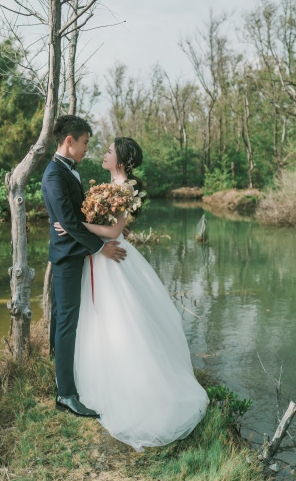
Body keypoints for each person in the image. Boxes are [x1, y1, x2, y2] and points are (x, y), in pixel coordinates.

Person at [54, 137, 209, 451]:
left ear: (121, 160)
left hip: (113, 256)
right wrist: (83, 226)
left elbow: (113, 231)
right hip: (99, 254)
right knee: (98, 317)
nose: (104, 153)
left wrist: (74, 225)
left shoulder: (125, 188)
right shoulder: (107, 184)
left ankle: (135, 383)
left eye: (110, 151)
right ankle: (95, 376)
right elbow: (116, 226)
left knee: (121, 318)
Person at [41, 115, 127, 418]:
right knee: (67, 322)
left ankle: (61, 372)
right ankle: (65, 394)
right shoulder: (54, 174)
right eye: (85, 143)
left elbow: (73, 219)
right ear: (69, 141)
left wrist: (86, 224)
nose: (87, 149)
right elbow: (66, 220)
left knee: (65, 320)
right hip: (66, 257)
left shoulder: (68, 171)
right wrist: (101, 247)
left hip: (73, 251)